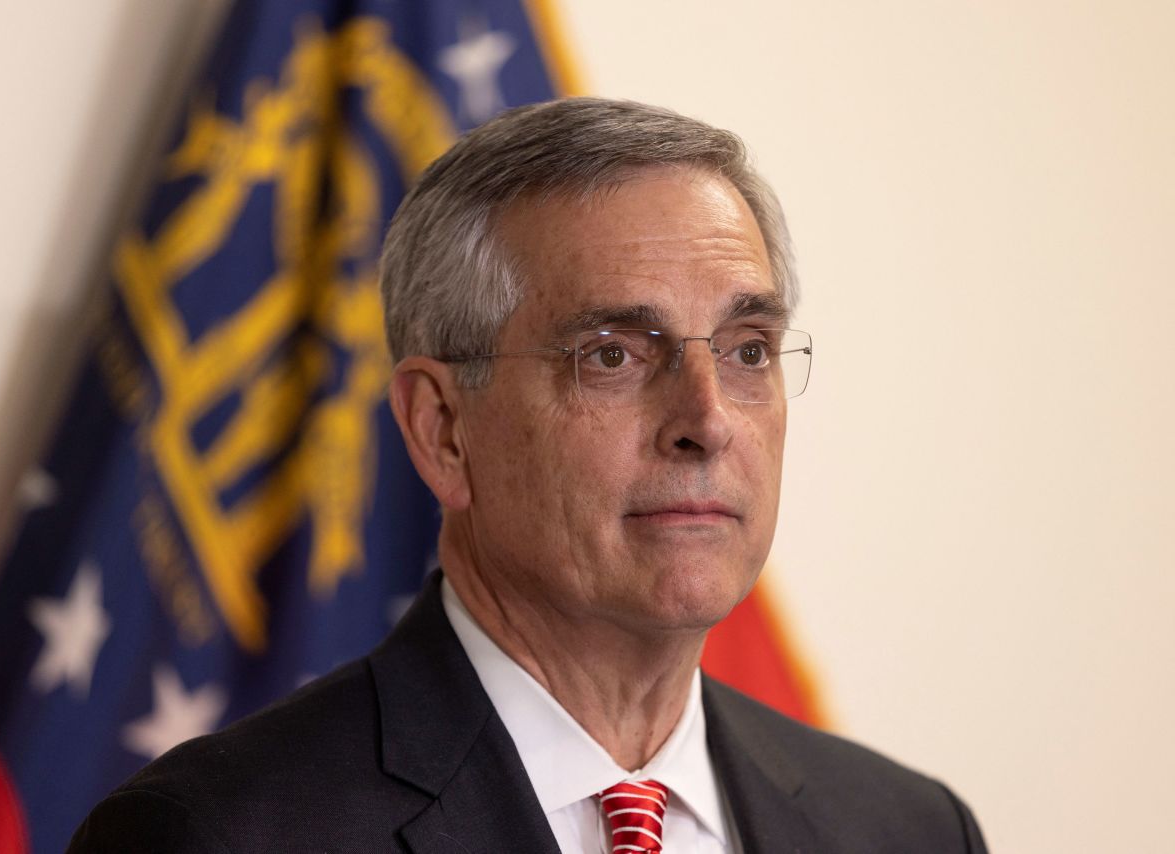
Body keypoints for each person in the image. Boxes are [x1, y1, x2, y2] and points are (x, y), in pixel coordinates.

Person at [69, 97, 987, 853]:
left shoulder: (909, 831)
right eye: (615, 356)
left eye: (748, 350)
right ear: (444, 431)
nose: (707, 421)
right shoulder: (217, 837)